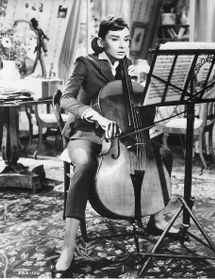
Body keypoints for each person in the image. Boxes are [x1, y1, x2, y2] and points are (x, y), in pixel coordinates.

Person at [51, 15, 177, 278]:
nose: (122, 45)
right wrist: (95, 116)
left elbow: (134, 107)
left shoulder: (127, 66)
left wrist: (140, 84)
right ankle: (68, 246)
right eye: (115, 39)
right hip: (86, 133)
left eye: (126, 39)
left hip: (121, 135)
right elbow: (66, 99)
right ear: (101, 41)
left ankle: (156, 218)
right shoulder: (85, 64)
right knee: (84, 165)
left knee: (163, 153)